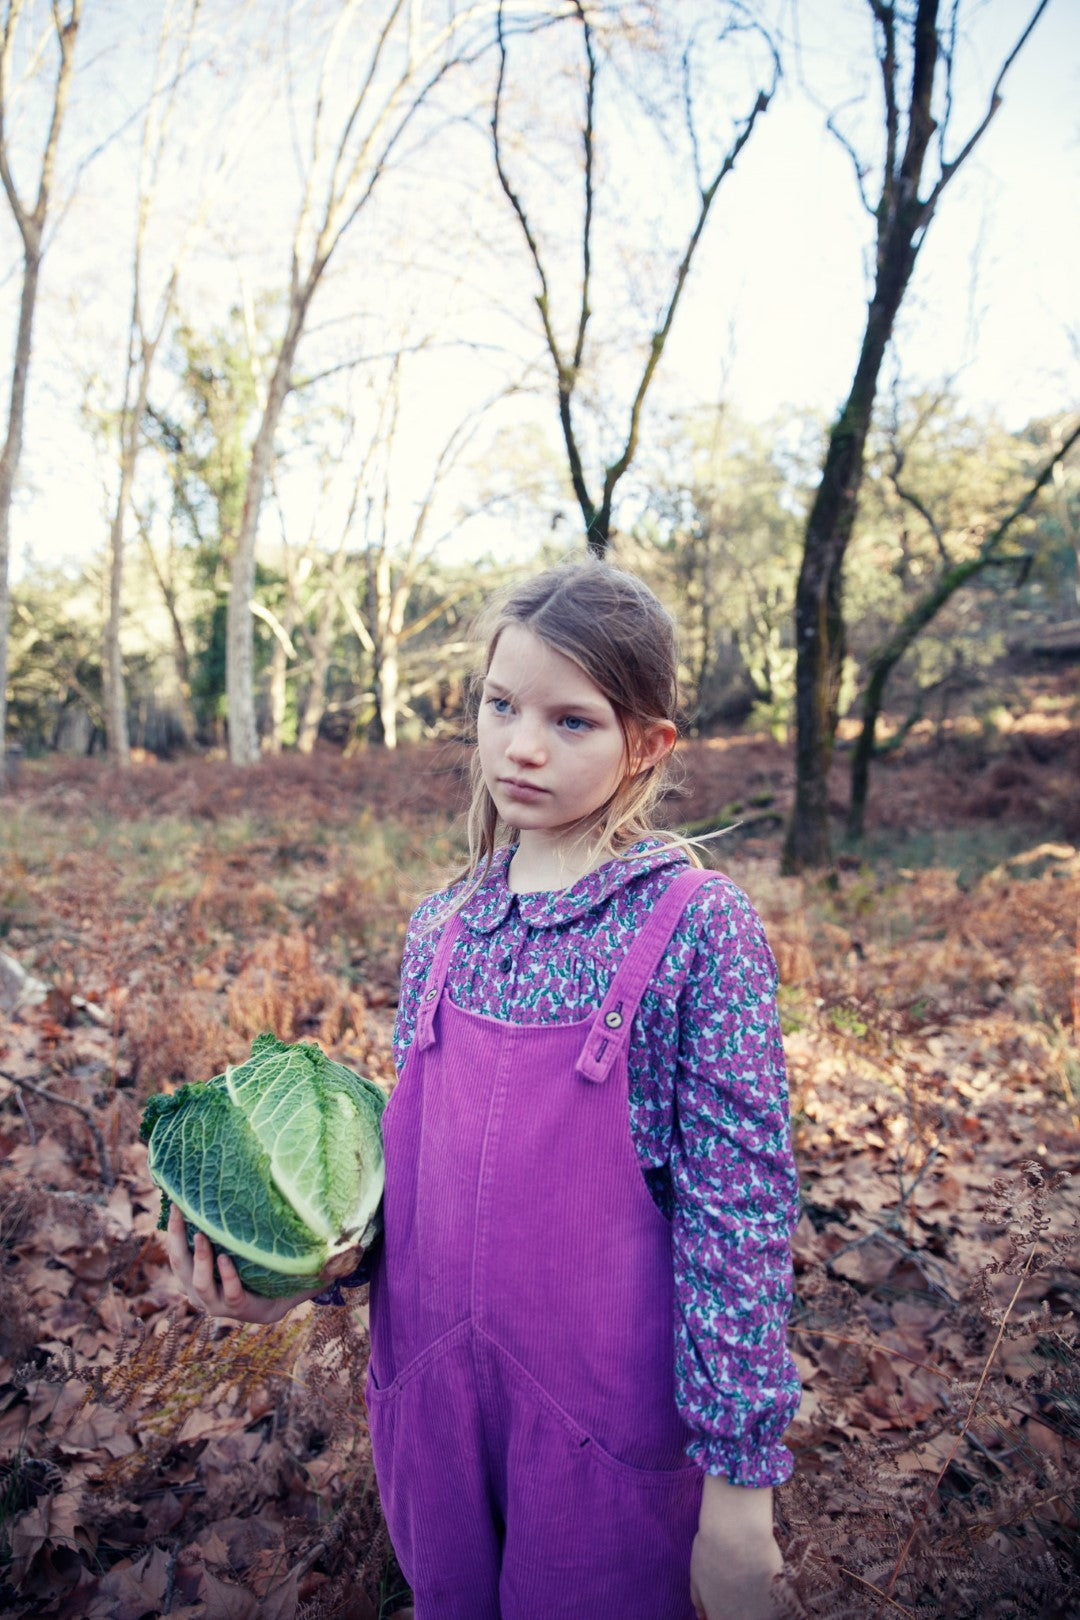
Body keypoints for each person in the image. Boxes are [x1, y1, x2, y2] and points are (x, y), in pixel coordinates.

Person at [166, 557, 801, 1620]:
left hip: (602, 1437)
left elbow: (738, 1219)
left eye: (572, 720)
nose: (521, 744)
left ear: (647, 745)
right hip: (432, 1417)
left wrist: (740, 1493)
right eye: (501, 705)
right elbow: (412, 1187)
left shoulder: (695, 927)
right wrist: (296, 1269)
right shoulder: (443, 926)